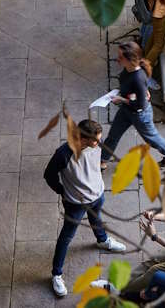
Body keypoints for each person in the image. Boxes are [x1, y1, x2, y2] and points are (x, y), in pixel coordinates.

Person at [44, 119, 127, 297]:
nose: (99, 142)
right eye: (95, 140)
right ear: (83, 139)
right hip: (76, 203)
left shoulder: (96, 145)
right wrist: (62, 191)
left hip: (97, 195)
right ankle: (56, 275)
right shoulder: (63, 154)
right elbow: (49, 175)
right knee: (66, 237)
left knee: (96, 218)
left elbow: (97, 160)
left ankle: (102, 240)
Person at [101, 42, 165, 168]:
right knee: (113, 135)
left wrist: (121, 99)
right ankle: (102, 160)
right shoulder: (128, 69)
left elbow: (140, 104)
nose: (117, 59)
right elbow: (137, 90)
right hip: (127, 110)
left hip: (140, 115)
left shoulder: (137, 77)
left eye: (121, 57)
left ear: (131, 60)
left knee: (151, 138)